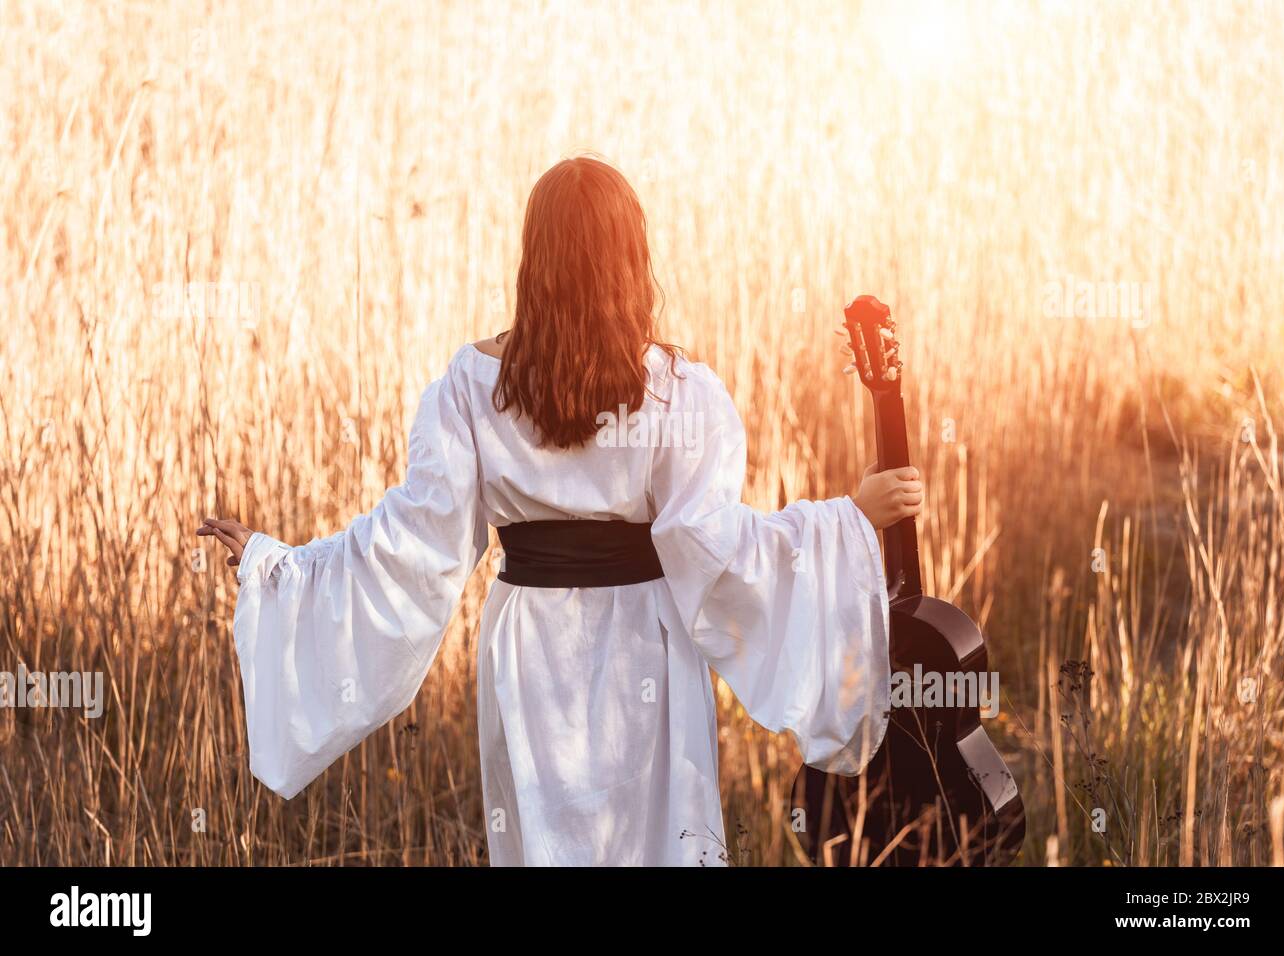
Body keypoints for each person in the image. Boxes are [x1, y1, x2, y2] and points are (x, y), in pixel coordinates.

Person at [198, 156, 922, 866]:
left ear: (534, 258)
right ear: (631, 258)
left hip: (529, 646)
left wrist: (280, 569)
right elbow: (712, 547)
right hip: (649, 641)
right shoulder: (679, 392)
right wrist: (849, 518)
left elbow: (415, 544)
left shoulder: (472, 385)